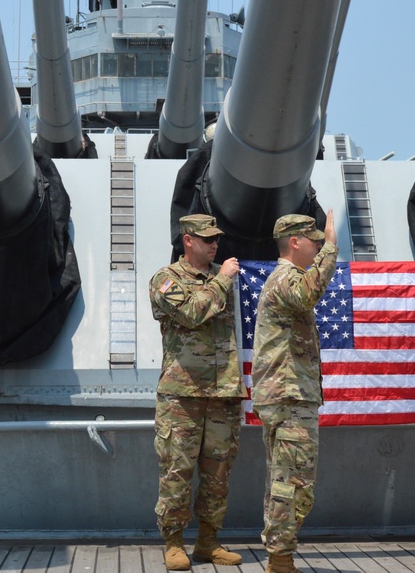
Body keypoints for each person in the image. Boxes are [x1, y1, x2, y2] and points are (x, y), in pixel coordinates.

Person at [149, 214, 244, 570]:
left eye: (217, 238)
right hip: (182, 394)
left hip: (223, 392)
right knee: (178, 469)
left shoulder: (225, 275)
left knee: (218, 473)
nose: (214, 244)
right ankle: (174, 542)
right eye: (207, 239)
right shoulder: (165, 279)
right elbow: (191, 312)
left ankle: (208, 541)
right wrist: (222, 280)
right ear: (188, 240)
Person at [252, 211, 338, 573]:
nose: (318, 245)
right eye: (314, 240)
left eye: (321, 240)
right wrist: (332, 248)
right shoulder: (287, 279)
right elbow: (308, 294)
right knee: (293, 481)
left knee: (288, 479)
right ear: (294, 242)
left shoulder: (287, 278)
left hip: (290, 395)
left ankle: (280, 556)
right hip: (288, 396)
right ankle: (280, 560)